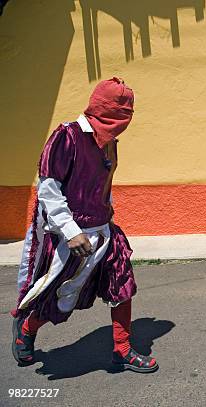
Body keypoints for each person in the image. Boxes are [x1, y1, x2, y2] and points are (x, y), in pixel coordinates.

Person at [11, 77, 158, 373]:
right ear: (103, 109)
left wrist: (107, 214)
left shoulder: (110, 144)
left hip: (104, 230)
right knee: (61, 298)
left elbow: (100, 183)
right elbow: (49, 189)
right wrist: (72, 232)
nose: (125, 122)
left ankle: (122, 349)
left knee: (122, 284)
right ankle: (27, 328)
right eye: (120, 113)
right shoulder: (67, 136)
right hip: (69, 236)